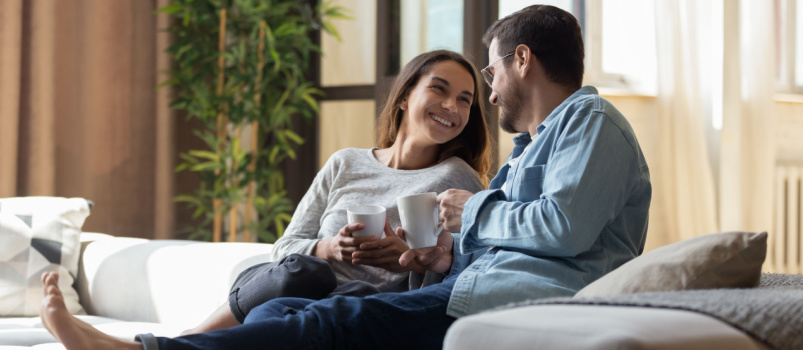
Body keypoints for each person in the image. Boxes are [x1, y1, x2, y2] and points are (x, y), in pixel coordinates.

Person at [39, 4, 652, 350]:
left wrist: (464, 222)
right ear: (406, 94)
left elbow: (565, 229)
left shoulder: (589, 119)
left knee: (329, 321)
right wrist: (440, 259)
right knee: (288, 310)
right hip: (464, 287)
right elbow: (494, 242)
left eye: (487, 77)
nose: (487, 95)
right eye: (449, 88)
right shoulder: (532, 148)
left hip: (504, 300)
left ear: (522, 59)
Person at [179, 49, 491, 335]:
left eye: (465, 99)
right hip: (294, 290)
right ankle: (192, 336)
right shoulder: (345, 162)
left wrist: (409, 260)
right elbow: (283, 248)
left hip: (356, 310)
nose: (452, 105)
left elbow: (472, 272)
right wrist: (328, 248)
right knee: (304, 271)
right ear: (405, 96)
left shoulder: (458, 179)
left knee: (343, 298)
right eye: (439, 88)